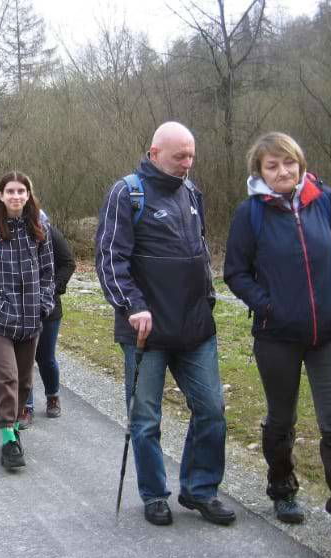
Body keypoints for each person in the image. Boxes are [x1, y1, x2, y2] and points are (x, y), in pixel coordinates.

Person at [223, 132, 331, 545]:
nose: (283, 171)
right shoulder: (251, 214)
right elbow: (235, 272)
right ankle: (282, 490)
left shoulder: (323, 200)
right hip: (277, 335)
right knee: (282, 419)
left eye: (288, 163)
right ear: (259, 172)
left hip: (330, 332)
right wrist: (269, 305)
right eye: (272, 166)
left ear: (300, 162)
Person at [95, 122, 234, 527]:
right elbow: (110, 259)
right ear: (155, 153)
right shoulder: (127, 193)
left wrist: (207, 299)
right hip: (145, 332)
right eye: (179, 157)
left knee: (212, 410)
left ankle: (200, 489)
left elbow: (201, 252)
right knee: (145, 419)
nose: (187, 164)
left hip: (194, 328)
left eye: (191, 156)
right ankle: (155, 494)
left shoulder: (191, 192)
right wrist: (132, 306)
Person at [0, 171, 54, 469]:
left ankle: (15, 429)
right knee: (7, 378)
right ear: (1, 195)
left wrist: (43, 304)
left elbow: (48, 274)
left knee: (25, 381)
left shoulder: (39, 226)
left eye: (21, 191)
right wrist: (1, 310)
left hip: (31, 318)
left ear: (28, 195)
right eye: (10, 191)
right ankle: (8, 439)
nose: (16, 196)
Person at [18, 222, 75, 428]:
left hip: (48, 307)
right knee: (23, 360)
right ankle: (25, 407)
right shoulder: (4, 229)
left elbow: (68, 263)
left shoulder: (47, 229)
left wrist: (53, 289)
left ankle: (53, 396)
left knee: (45, 358)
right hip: (18, 308)